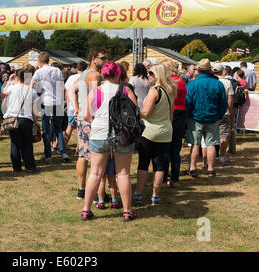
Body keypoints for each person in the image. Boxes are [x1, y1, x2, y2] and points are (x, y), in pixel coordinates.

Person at [80, 61, 138, 221]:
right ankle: (127, 211)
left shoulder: (96, 91)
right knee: (123, 173)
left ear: (103, 75)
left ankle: (86, 210)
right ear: (118, 74)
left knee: (95, 173)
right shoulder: (125, 90)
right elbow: (135, 111)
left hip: (99, 133)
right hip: (122, 135)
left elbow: (86, 115)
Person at [133, 64, 176, 206]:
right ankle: (155, 196)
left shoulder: (154, 91)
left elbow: (145, 113)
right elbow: (171, 116)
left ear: (158, 75)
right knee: (159, 164)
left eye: (151, 73)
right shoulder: (170, 90)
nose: (148, 76)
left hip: (150, 131)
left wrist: (132, 110)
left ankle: (138, 193)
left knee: (144, 163)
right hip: (165, 131)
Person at [69, 48, 108, 199]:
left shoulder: (84, 73)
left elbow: (72, 90)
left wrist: (77, 109)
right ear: (94, 59)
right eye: (103, 58)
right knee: (96, 157)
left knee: (83, 155)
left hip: (83, 119)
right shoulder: (95, 75)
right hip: (92, 120)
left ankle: (81, 189)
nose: (105, 61)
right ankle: (99, 193)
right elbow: (96, 99)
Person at [185, 59, 227, 178]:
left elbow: (188, 102)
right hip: (212, 117)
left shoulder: (192, 84)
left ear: (198, 70)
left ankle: (193, 167)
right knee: (211, 144)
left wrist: (189, 115)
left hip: (195, 118)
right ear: (210, 70)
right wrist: (219, 116)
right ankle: (211, 169)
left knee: (195, 144)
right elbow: (223, 103)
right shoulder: (217, 83)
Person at [30, 52, 70, 163]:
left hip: (46, 101)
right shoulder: (57, 70)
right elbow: (62, 87)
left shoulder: (39, 71)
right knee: (58, 128)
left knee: (46, 129)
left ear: (39, 61)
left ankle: (48, 155)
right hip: (57, 101)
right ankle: (63, 151)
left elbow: (31, 86)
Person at [2, 70, 40, 173]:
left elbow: (3, 93)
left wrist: (9, 81)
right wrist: (35, 120)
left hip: (13, 118)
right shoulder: (31, 90)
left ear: (17, 78)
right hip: (27, 118)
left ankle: (16, 167)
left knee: (15, 143)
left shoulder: (11, 88)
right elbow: (35, 107)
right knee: (27, 143)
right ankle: (29, 166)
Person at [161, 60, 187, 188]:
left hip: (169, 115)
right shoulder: (181, 81)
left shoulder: (168, 83)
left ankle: (164, 179)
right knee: (176, 150)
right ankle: (175, 179)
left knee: (165, 149)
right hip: (181, 116)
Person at [213, 63, 234, 165]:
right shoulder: (227, 83)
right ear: (223, 72)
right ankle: (221, 156)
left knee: (211, 136)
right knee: (223, 135)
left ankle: (209, 157)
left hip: (212, 112)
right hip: (224, 112)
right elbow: (230, 100)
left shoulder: (212, 82)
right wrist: (230, 112)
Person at [64, 61, 88, 147]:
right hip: (83, 106)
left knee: (70, 127)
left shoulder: (71, 78)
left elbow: (67, 92)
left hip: (72, 106)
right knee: (80, 129)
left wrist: (67, 103)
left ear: (77, 68)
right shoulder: (87, 78)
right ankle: (79, 148)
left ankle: (64, 145)